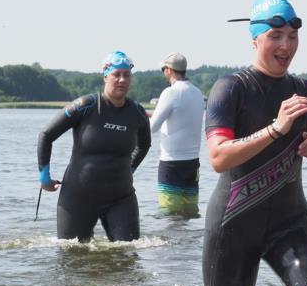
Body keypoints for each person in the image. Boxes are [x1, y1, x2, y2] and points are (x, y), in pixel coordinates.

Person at [204, 0, 307, 286]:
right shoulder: (230, 89)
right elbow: (218, 158)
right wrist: (275, 129)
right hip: (233, 226)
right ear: (255, 38)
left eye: (292, 36)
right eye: (276, 36)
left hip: (291, 222)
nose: (285, 45)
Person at [37, 51, 151, 242]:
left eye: (126, 75)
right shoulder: (85, 105)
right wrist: (44, 178)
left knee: (127, 255)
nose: (122, 80)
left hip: (121, 197)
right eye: (117, 75)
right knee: (72, 257)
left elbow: (145, 145)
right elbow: (46, 135)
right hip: (78, 197)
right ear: (106, 76)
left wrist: (130, 169)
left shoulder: (138, 113)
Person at [151, 52, 205, 216]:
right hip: (193, 163)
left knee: (170, 215)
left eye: (163, 69)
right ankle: (189, 243)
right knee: (188, 214)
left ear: (169, 70)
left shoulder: (170, 92)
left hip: (171, 164)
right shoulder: (197, 93)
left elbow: (151, 128)